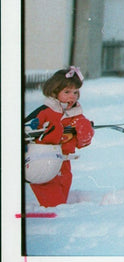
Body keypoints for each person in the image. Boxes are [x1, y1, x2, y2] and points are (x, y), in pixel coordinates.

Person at [26, 67, 95, 207]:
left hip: (64, 166)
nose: (72, 96)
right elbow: (26, 132)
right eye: (67, 92)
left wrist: (84, 129)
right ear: (54, 92)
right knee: (55, 204)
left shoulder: (76, 115)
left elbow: (82, 142)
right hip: (43, 163)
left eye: (76, 92)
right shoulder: (45, 112)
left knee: (61, 203)